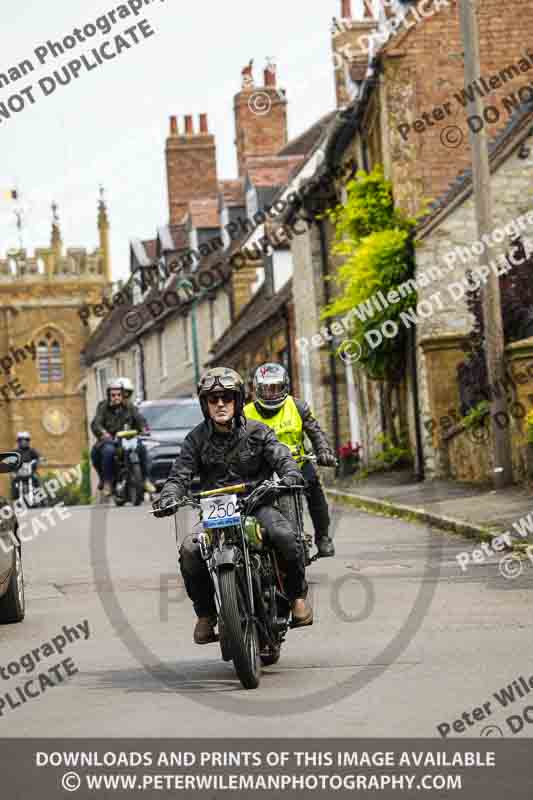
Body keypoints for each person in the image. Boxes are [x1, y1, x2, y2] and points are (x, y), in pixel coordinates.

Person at [153, 366, 313, 645]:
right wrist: (169, 495)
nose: (220, 404)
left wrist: (290, 473)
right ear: (205, 404)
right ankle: (205, 615)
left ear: (238, 401)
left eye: (226, 397)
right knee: (190, 549)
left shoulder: (258, 431)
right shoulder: (195, 439)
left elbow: (280, 455)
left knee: (285, 536)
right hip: (215, 510)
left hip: (257, 503)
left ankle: (297, 597)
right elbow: (179, 474)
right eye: (212, 399)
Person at [244, 363, 337, 558]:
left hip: (299, 464)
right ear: (257, 389)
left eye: (275, 388)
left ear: (285, 387)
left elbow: (315, 432)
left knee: (316, 494)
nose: (271, 394)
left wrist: (324, 451)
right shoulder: (245, 414)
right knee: (250, 501)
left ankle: (323, 537)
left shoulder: (298, 406)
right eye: (266, 389)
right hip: (264, 469)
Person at [90, 380, 155, 496]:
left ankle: (145, 480)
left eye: (119, 395)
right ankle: (108, 482)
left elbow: (139, 419)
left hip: (129, 439)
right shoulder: (103, 407)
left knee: (142, 448)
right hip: (111, 441)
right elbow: (96, 423)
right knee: (107, 451)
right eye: (113, 395)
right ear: (109, 396)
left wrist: (144, 428)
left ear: (123, 395)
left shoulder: (129, 406)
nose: (116, 397)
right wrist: (103, 432)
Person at [12, 431, 41, 500]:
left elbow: (38, 457)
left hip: (31, 472)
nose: (24, 442)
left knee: (37, 480)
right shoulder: (15, 451)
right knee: (14, 482)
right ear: (19, 442)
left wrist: (39, 460)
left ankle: (40, 497)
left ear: (28, 441)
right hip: (19, 472)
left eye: (25, 440)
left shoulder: (32, 451)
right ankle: (15, 497)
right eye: (22, 440)